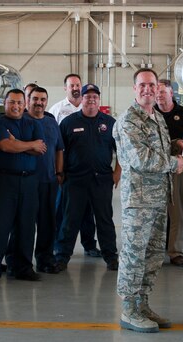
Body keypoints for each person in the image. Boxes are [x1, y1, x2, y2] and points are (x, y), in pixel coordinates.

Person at [113, 68, 183, 333]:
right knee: (134, 255)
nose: (148, 89)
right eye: (143, 85)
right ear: (134, 88)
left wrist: (176, 145)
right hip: (139, 200)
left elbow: (157, 150)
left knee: (152, 256)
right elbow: (140, 159)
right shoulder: (129, 120)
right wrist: (176, 162)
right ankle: (128, 309)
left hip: (160, 198)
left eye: (153, 85)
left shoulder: (156, 118)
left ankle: (143, 303)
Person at [54, 84, 121, 271]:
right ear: (81, 99)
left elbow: (121, 151)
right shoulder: (68, 123)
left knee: (105, 220)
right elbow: (59, 151)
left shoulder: (110, 123)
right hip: (75, 180)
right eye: (87, 96)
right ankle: (62, 257)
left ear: (99, 100)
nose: (91, 99)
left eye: (95, 96)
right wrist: (60, 174)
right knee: (70, 220)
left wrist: (117, 174)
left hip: (102, 180)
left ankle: (111, 256)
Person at [0, 89, 47, 285]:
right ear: (5, 103)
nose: (16, 106)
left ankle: (22, 267)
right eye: (12, 102)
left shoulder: (33, 123)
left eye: (20, 103)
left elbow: (41, 150)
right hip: (3, 182)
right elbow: (5, 147)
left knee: (26, 227)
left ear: (25, 103)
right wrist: (29, 145)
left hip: (29, 182)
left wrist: (17, 143)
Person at [51, 75, 100, 259]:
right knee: (63, 210)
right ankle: (58, 244)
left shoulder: (88, 105)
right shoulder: (57, 109)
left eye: (77, 84)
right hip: (68, 172)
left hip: (89, 172)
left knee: (88, 211)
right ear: (65, 88)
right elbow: (55, 142)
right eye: (71, 85)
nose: (75, 88)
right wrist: (59, 170)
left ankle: (89, 245)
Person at [20, 86, 65, 274]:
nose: (39, 102)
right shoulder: (20, 121)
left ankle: (45, 260)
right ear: (27, 100)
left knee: (48, 223)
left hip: (48, 181)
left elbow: (58, 149)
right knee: (25, 224)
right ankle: (22, 263)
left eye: (42, 99)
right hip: (27, 181)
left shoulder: (51, 122)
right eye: (35, 98)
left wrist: (59, 173)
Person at [155, 79, 183, 268]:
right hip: (155, 168)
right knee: (156, 211)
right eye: (157, 91)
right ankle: (154, 251)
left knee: (177, 210)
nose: (159, 95)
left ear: (172, 94)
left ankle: (175, 252)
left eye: (163, 91)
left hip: (179, 168)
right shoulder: (150, 114)